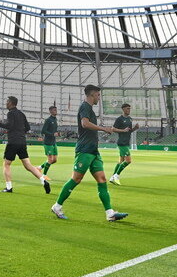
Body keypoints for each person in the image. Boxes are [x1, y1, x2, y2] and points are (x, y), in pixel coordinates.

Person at [51, 85, 128, 222]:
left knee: (102, 180)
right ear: (92, 95)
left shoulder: (90, 109)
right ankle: (57, 206)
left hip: (93, 151)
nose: (99, 97)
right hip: (84, 150)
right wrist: (103, 129)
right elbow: (85, 124)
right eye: (98, 95)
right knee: (76, 179)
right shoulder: (85, 107)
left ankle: (110, 213)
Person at [0, 96, 50, 194]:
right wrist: (20, 132)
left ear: (12, 103)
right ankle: (43, 180)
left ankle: (9, 187)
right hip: (22, 142)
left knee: (6, 164)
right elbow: (28, 127)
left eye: (7, 102)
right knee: (28, 165)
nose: (6, 103)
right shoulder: (21, 114)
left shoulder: (10, 113)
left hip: (13, 142)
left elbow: (9, 125)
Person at [109, 103, 140, 185]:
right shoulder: (119, 119)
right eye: (127, 108)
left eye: (129, 108)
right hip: (122, 142)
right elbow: (113, 129)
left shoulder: (130, 119)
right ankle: (117, 175)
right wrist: (123, 130)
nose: (129, 110)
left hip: (126, 142)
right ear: (123, 109)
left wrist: (135, 128)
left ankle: (112, 177)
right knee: (128, 161)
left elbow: (129, 131)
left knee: (121, 161)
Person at [39, 105, 60, 176]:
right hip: (48, 143)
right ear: (50, 111)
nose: (56, 111)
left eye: (56, 110)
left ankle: (40, 167)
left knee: (54, 160)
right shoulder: (48, 120)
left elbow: (54, 131)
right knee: (50, 160)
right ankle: (44, 175)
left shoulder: (55, 120)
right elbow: (43, 131)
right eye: (54, 110)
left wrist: (56, 133)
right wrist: (52, 134)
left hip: (53, 142)